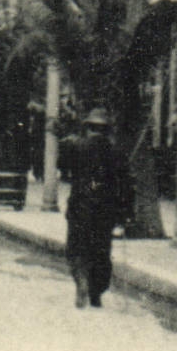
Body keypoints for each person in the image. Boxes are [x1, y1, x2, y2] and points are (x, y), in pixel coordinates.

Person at [60, 107, 123, 308]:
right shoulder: (116, 152)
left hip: (80, 206)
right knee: (101, 252)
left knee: (76, 249)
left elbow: (63, 167)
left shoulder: (77, 146)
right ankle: (96, 294)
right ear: (106, 129)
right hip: (105, 211)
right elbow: (124, 184)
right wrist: (124, 214)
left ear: (88, 127)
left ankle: (82, 282)